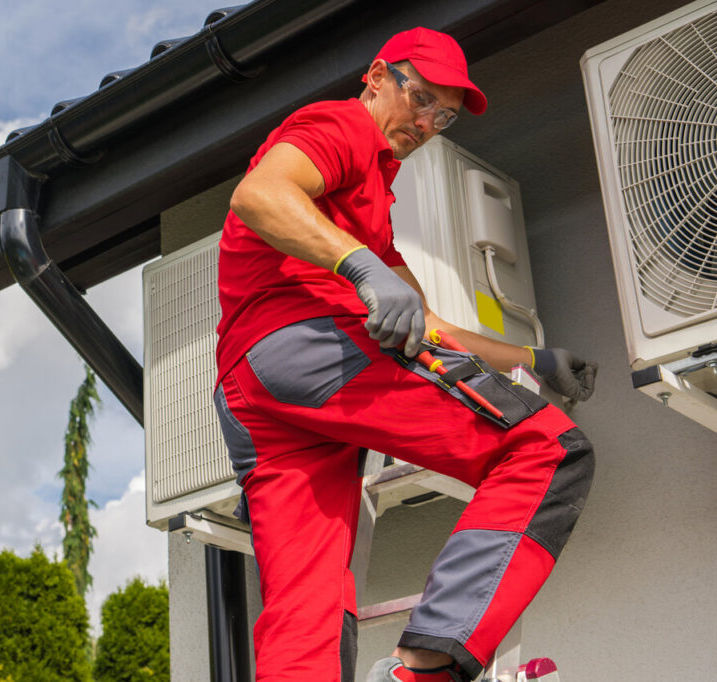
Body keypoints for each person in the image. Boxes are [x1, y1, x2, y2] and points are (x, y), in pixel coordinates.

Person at [211, 27, 597, 682]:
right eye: (419, 99)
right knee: (545, 450)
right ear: (376, 76)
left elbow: (430, 323)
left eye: (442, 116)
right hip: (307, 344)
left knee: (305, 603)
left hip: (255, 392)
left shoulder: (372, 203)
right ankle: (424, 669)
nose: (426, 122)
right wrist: (361, 267)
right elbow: (257, 195)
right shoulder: (340, 128)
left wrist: (528, 360)